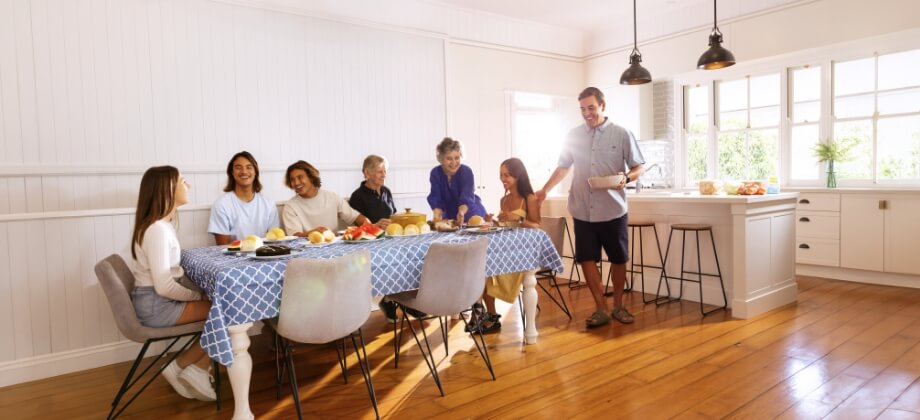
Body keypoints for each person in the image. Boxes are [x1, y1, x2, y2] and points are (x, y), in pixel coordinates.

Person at [535, 87, 645, 328]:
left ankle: (618, 305)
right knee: (586, 258)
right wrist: (544, 190)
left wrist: (627, 177)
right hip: (582, 208)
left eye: (591, 108)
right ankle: (601, 308)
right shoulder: (573, 135)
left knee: (618, 258)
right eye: (583, 109)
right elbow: (563, 166)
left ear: (603, 105)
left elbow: (639, 166)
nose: (587, 113)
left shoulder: (622, 134)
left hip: (613, 209)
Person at [129, 166, 216, 401]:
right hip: (157, 305)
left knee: (226, 307)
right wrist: (199, 297)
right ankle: (191, 368)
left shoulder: (162, 226)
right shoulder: (156, 230)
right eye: (183, 181)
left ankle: (183, 368)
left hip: (157, 301)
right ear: (167, 188)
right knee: (231, 310)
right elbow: (164, 287)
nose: (188, 186)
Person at [468, 158, 542, 334]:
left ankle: (481, 312)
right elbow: (504, 226)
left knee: (484, 268)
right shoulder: (504, 200)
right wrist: (491, 221)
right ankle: (488, 314)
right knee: (479, 266)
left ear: (518, 175)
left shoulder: (529, 198)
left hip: (522, 253)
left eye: (507, 175)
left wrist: (519, 219)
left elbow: (537, 226)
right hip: (505, 250)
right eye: (501, 175)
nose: (503, 179)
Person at [281, 160, 371, 236]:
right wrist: (313, 233)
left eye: (300, 177)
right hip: (306, 253)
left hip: (335, 249)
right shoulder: (290, 207)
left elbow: (355, 217)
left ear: (311, 177)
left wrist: (371, 227)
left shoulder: (332, 197)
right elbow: (295, 236)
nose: (296, 183)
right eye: (292, 179)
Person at [208, 151, 280, 245]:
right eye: (238, 167)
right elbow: (222, 247)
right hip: (233, 257)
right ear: (232, 173)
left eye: (249, 167)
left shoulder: (269, 204)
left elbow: (274, 240)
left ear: (255, 172)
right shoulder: (221, 205)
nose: (244, 171)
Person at [427, 137, 487, 225]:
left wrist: (461, 213)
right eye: (449, 159)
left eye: (457, 158)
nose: (454, 162)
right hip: (449, 217)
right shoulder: (436, 173)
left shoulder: (466, 172)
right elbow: (436, 198)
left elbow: (467, 197)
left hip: (472, 215)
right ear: (441, 159)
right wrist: (436, 217)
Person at [349, 155, 396, 229]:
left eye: (385, 171)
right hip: (371, 239)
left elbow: (394, 216)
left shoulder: (387, 191)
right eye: (380, 172)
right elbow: (358, 228)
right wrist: (376, 226)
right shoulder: (357, 196)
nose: (384, 175)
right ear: (367, 173)